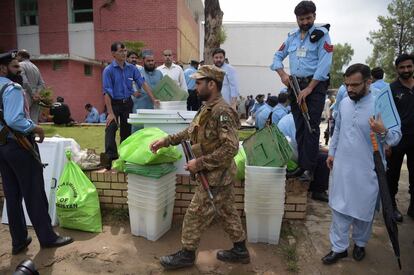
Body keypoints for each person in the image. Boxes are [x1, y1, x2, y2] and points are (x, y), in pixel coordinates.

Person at [150, 65, 249, 270]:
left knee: (194, 215)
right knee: (228, 212)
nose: (195, 87)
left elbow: (231, 148)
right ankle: (240, 250)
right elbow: (191, 131)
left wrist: (200, 163)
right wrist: (166, 141)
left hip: (216, 177)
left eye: (198, 83)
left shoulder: (222, 111)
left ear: (211, 84)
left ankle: (186, 254)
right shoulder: (207, 107)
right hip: (217, 176)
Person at [322, 64, 401, 265]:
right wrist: (332, 153)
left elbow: (395, 137)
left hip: (368, 169)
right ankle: (338, 248)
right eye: (347, 85)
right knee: (339, 208)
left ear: (368, 82)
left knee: (363, 211)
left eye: (355, 85)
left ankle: (359, 243)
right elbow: (338, 129)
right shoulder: (344, 102)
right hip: (342, 166)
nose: (349, 89)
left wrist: (382, 130)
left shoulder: (380, 103)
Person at [0, 51, 73, 255]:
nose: (20, 71)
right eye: (15, 67)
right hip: (20, 144)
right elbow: (15, 119)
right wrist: (35, 127)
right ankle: (48, 237)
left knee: (12, 195)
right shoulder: (12, 88)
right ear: (3, 68)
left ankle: (19, 241)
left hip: (3, 148)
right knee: (35, 193)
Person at [271, 0, 333, 182]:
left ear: (314, 16)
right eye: (301, 19)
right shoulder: (291, 37)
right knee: (299, 126)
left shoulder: (322, 35)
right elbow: (277, 56)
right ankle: (301, 166)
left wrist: (310, 88)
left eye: (308, 18)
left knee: (311, 127)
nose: (305, 22)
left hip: (314, 87)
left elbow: (324, 64)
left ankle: (309, 169)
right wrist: (282, 73)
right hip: (295, 86)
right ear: (296, 19)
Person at [101, 42, 158, 169]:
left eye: (125, 51)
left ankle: (124, 156)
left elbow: (142, 83)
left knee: (126, 132)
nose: (124, 53)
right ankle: (110, 157)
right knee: (110, 128)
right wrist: (110, 113)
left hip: (127, 103)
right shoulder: (108, 71)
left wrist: (153, 99)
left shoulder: (131, 69)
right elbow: (106, 93)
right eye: (121, 51)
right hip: (113, 104)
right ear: (113, 54)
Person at [386, 54, 414, 223]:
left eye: (409, 67)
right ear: (397, 69)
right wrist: (387, 143)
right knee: (392, 176)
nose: (406, 70)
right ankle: (391, 208)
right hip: (397, 140)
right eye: (402, 67)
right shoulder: (391, 89)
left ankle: (413, 207)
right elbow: (385, 116)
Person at [278, 113, 330, 202]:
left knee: (318, 153)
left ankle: (312, 186)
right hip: (292, 154)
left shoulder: (290, 117)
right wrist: (324, 150)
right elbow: (303, 144)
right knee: (324, 158)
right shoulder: (297, 120)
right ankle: (318, 191)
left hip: (287, 151)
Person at [131, 50, 163, 133]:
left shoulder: (159, 74)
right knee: (138, 133)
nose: (151, 63)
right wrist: (133, 92)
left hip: (155, 109)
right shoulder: (138, 73)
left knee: (153, 133)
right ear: (143, 61)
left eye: (152, 61)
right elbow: (128, 85)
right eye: (148, 61)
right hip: (140, 108)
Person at [16, 50, 45, 124]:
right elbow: (42, 83)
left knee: (24, 117)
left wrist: (33, 94)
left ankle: (26, 135)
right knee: (34, 119)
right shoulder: (35, 67)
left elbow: (24, 82)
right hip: (36, 95)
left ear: (20, 56)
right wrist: (37, 94)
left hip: (26, 93)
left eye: (17, 56)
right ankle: (33, 135)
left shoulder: (20, 65)